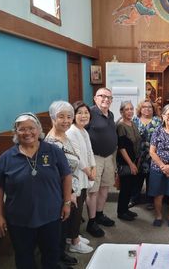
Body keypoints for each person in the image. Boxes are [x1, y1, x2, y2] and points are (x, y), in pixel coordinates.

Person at [0, 113, 72, 269]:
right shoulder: (6, 158)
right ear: (16, 133)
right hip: (19, 219)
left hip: (51, 216)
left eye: (31, 128)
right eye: (22, 129)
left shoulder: (53, 151)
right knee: (24, 258)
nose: (27, 133)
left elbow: (66, 176)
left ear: (39, 129)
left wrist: (67, 202)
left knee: (51, 256)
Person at [45, 101, 94, 262]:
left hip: (70, 188)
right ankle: (58, 258)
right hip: (60, 190)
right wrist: (70, 193)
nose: (66, 120)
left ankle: (61, 254)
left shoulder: (64, 135)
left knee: (64, 224)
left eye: (68, 117)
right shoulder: (52, 142)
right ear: (53, 117)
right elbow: (55, 173)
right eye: (61, 117)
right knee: (59, 225)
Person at [86, 87, 118, 237]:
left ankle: (99, 214)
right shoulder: (89, 113)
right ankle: (91, 222)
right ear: (95, 98)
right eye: (102, 96)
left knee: (105, 188)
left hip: (109, 157)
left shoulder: (110, 114)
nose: (106, 99)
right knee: (93, 191)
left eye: (109, 97)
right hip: (94, 158)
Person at [66, 101, 97, 253]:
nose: (84, 115)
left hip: (85, 174)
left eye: (86, 112)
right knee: (75, 209)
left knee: (79, 207)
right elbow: (76, 156)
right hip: (77, 176)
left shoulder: (83, 131)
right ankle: (74, 242)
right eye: (80, 113)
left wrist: (94, 167)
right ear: (73, 116)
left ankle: (73, 235)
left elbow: (89, 151)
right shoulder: (72, 132)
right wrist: (88, 171)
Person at [131, 99, 161, 209]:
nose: (147, 109)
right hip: (138, 155)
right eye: (144, 107)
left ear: (153, 109)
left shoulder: (158, 121)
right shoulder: (134, 120)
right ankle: (134, 198)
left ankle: (150, 200)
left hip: (153, 154)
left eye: (149, 107)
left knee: (151, 178)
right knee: (137, 178)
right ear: (140, 109)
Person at [116, 101, 141, 221]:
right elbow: (122, 148)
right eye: (127, 109)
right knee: (125, 188)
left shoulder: (132, 122)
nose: (130, 111)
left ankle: (125, 209)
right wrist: (131, 164)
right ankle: (121, 212)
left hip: (134, 160)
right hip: (126, 162)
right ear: (121, 111)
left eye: (131, 109)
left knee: (130, 186)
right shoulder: (121, 125)